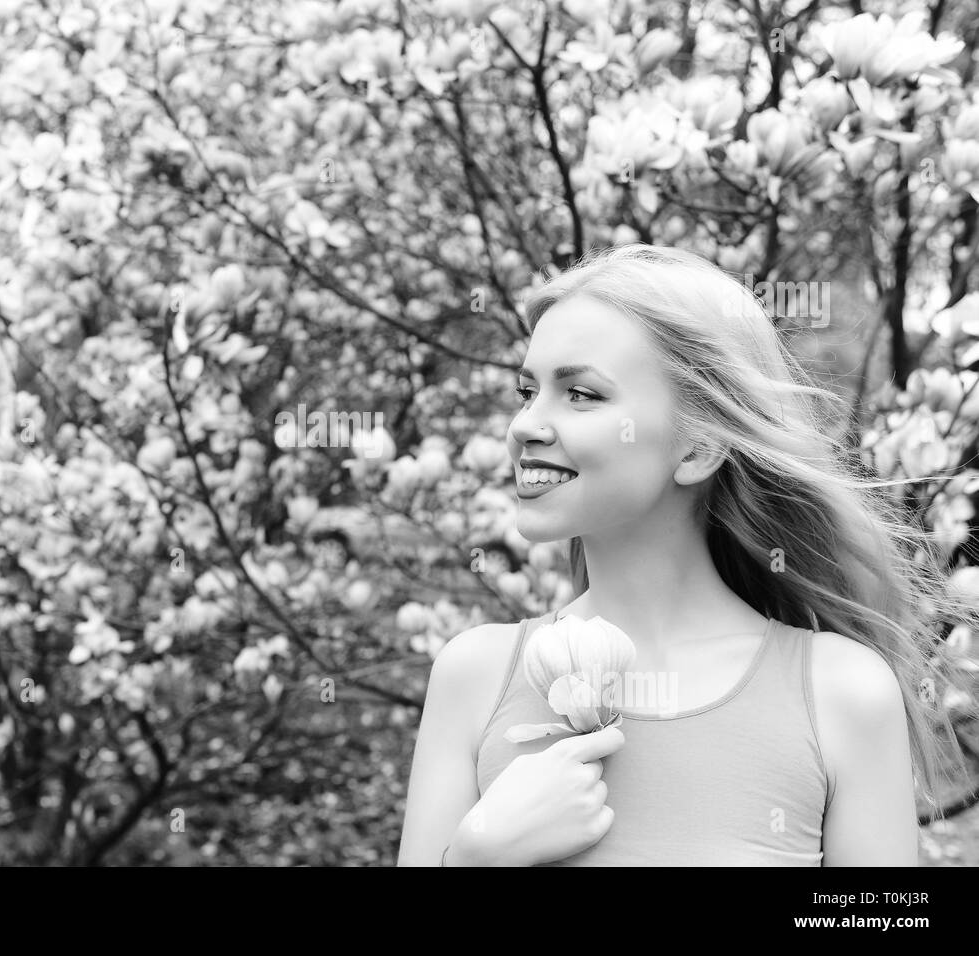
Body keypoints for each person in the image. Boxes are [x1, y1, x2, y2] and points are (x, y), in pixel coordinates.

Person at [396, 244, 976, 866]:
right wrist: (478, 858)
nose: (525, 425)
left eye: (582, 394)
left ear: (698, 447)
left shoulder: (844, 693)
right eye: (527, 390)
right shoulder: (474, 677)